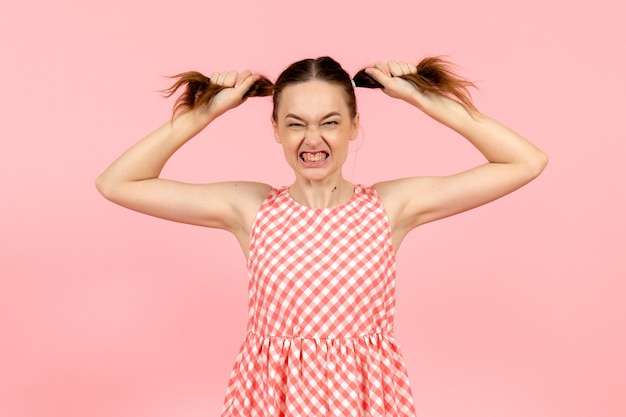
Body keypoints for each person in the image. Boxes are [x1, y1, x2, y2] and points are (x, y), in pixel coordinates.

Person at [96, 56, 548, 416]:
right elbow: (117, 183)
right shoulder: (251, 209)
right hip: (269, 400)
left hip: (366, 402)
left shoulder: (390, 207)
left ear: (354, 126)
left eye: (330, 121)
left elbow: (524, 162)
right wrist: (207, 111)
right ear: (275, 129)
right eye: (295, 123)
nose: (313, 138)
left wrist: (420, 98)